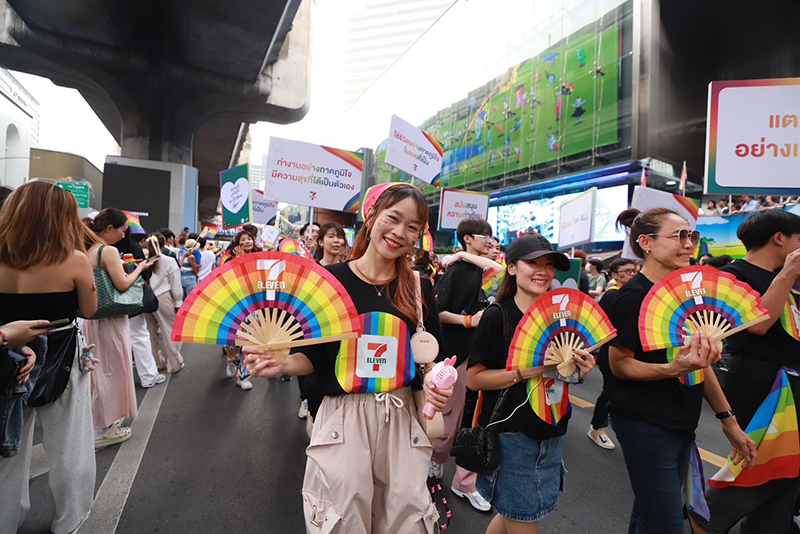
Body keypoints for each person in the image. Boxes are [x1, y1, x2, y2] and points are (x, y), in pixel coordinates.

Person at [243, 183, 454, 533]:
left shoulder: (418, 287)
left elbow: (431, 359)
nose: (400, 232)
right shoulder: (329, 281)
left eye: (413, 227)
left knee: (405, 519)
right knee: (342, 519)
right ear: (371, 218)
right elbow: (312, 357)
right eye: (393, 218)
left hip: (400, 417)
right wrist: (279, 362)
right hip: (343, 417)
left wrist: (437, 383)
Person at [606, 207, 756, 534]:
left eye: (692, 236)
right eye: (680, 236)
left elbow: (700, 369)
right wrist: (673, 368)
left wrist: (727, 420)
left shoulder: (686, 297)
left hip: (682, 421)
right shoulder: (630, 298)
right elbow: (619, 365)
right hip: (642, 421)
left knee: (650, 515)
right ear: (645, 242)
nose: (689, 244)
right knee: (668, 522)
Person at [467, 234, 597, 534]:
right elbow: (474, 379)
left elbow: (563, 373)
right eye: (532, 263)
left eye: (549, 265)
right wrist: (527, 371)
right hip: (512, 434)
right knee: (523, 518)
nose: (543, 271)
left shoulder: (561, 319)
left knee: (511, 513)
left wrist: (579, 371)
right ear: (511, 267)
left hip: (552, 425)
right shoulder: (497, 316)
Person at [692, 209, 800, 534]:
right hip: (759, 379)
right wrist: (788, 273)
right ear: (779, 238)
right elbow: (759, 325)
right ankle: (705, 519)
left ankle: (771, 526)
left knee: (789, 465)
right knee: (764, 458)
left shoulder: (788, 275)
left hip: (789, 379)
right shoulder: (732, 276)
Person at [0, 181, 99, 534]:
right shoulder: (73, 260)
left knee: (8, 446)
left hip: (7, 355)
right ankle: (68, 520)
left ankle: (6, 520)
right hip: (60, 353)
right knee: (69, 441)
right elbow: (89, 309)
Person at [431, 217, 502, 511]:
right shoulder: (457, 272)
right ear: (468, 238)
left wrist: (462, 253)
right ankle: (434, 462)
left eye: (491, 236)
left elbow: (501, 270)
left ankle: (465, 481)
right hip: (458, 354)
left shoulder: (487, 272)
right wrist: (467, 320)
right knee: (450, 419)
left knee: (477, 421)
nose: (490, 240)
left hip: (486, 356)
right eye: (483, 235)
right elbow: (437, 311)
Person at [83, 208, 156, 450]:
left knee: (99, 372)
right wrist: (140, 269)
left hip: (93, 318)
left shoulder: (90, 249)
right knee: (113, 370)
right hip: (112, 319)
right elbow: (123, 284)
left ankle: (101, 423)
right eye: (123, 230)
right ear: (109, 228)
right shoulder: (109, 250)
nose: (125, 236)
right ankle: (103, 429)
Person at [588, 257, 637, 450]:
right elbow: (599, 326)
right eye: (627, 271)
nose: (632, 274)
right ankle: (597, 427)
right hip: (611, 351)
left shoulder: (634, 293)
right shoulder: (611, 295)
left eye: (635, 270)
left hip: (629, 350)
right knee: (610, 390)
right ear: (615, 275)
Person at [222, 230, 262, 390]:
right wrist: (238, 259)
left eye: (249, 239)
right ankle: (232, 361)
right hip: (234, 305)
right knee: (231, 340)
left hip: (254, 305)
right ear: (237, 244)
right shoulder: (228, 260)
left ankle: (244, 375)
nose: (247, 241)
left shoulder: (261, 259)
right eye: (243, 239)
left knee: (249, 342)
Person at [144, 233, 185, 374]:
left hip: (146, 298)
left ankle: (156, 363)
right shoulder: (169, 261)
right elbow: (176, 286)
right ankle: (174, 364)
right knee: (168, 330)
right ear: (163, 245)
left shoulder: (145, 260)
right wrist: (177, 300)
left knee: (150, 333)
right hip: (163, 298)